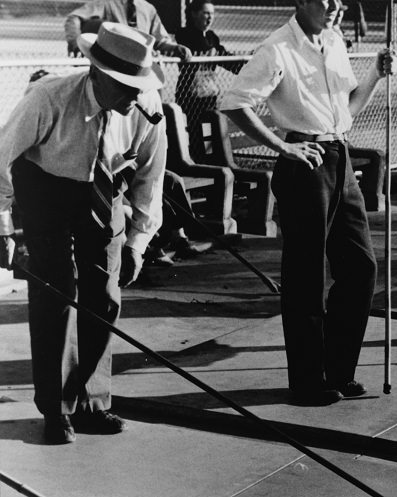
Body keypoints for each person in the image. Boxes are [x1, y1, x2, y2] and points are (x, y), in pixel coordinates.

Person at [219, 0, 395, 407]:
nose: (335, 6)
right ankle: (306, 381)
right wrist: (282, 146)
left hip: (341, 157)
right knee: (306, 277)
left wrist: (375, 75)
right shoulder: (278, 48)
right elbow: (234, 101)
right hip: (305, 163)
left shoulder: (334, 41)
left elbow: (345, 112)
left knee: (360, 268)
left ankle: (337, 371)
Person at [0, 23, 167, 444]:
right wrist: (3, 226)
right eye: (126, 87)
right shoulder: (48, 98)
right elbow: (0, 160)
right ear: (99, 76)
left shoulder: (145, 109)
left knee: (105, 296)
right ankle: (56, 410)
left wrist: (137, 243)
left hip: (104, 191)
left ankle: (94, 403)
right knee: (56, 295)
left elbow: (151, 179)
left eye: (138, 85)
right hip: (46, 189)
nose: (135, 95)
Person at [175, 0, 241, 128]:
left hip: (209, 91)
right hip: (189, 92)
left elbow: (225, 57)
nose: (210, 17)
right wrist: (212, 49)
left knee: (213, 128)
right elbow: (199, 44)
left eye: (212, 13)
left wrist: (245, 64)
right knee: (195, 130)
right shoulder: (184, 33)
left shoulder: (212, 37)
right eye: (206, 13)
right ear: (194, 14)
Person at [64, 0, 192, 60]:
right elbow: (74, 18)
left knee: (152, 111)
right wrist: (76, 43)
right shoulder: (106, 3)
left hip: (145, 69)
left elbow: (159, 40)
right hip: (117, 70)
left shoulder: (147, 8)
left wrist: (175, 48)